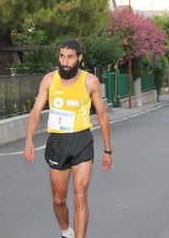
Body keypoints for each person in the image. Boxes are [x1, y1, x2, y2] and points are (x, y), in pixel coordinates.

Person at [23, 39, 112, 238]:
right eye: (62, 56)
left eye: (70, 57)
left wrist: (108, 149)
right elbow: (35, 112)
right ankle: (66, 231)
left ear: (79, 58)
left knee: (80, 196)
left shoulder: (90, 81)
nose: (65, 61)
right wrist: (28, 140)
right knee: (59, 200)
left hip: (82, 141)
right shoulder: (49, 80)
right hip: (57, 142)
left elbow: (103, 115)